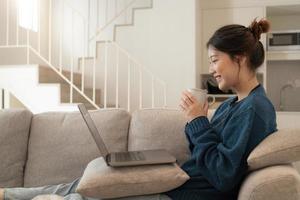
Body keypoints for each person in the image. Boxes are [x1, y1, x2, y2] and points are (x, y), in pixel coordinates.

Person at [0, 18, 277, 200]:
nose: (211, 69)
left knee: (89, 192)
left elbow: (222, 174)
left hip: (178, 193)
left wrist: (198, 123)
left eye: (215, 60)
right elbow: (204, 154)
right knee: (87, 181)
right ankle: (10, 194)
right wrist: (197, 122)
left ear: (239, 58)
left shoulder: (255, 109)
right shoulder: (234, 104)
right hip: (175, 182)